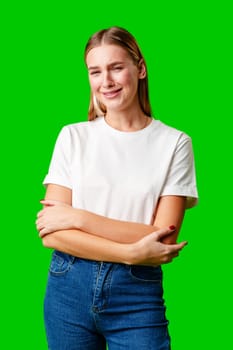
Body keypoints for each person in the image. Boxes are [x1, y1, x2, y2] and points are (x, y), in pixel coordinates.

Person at [36, 26, 198, 350]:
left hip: (137, 295)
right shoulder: (72, 136)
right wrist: (130, 251)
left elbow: (163, 237)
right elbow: (51, 233)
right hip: (68, 288)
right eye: (95, 71)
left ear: (140, 68)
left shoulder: (175, 143)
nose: (105, 81)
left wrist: (78, 217)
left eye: (116, 67)